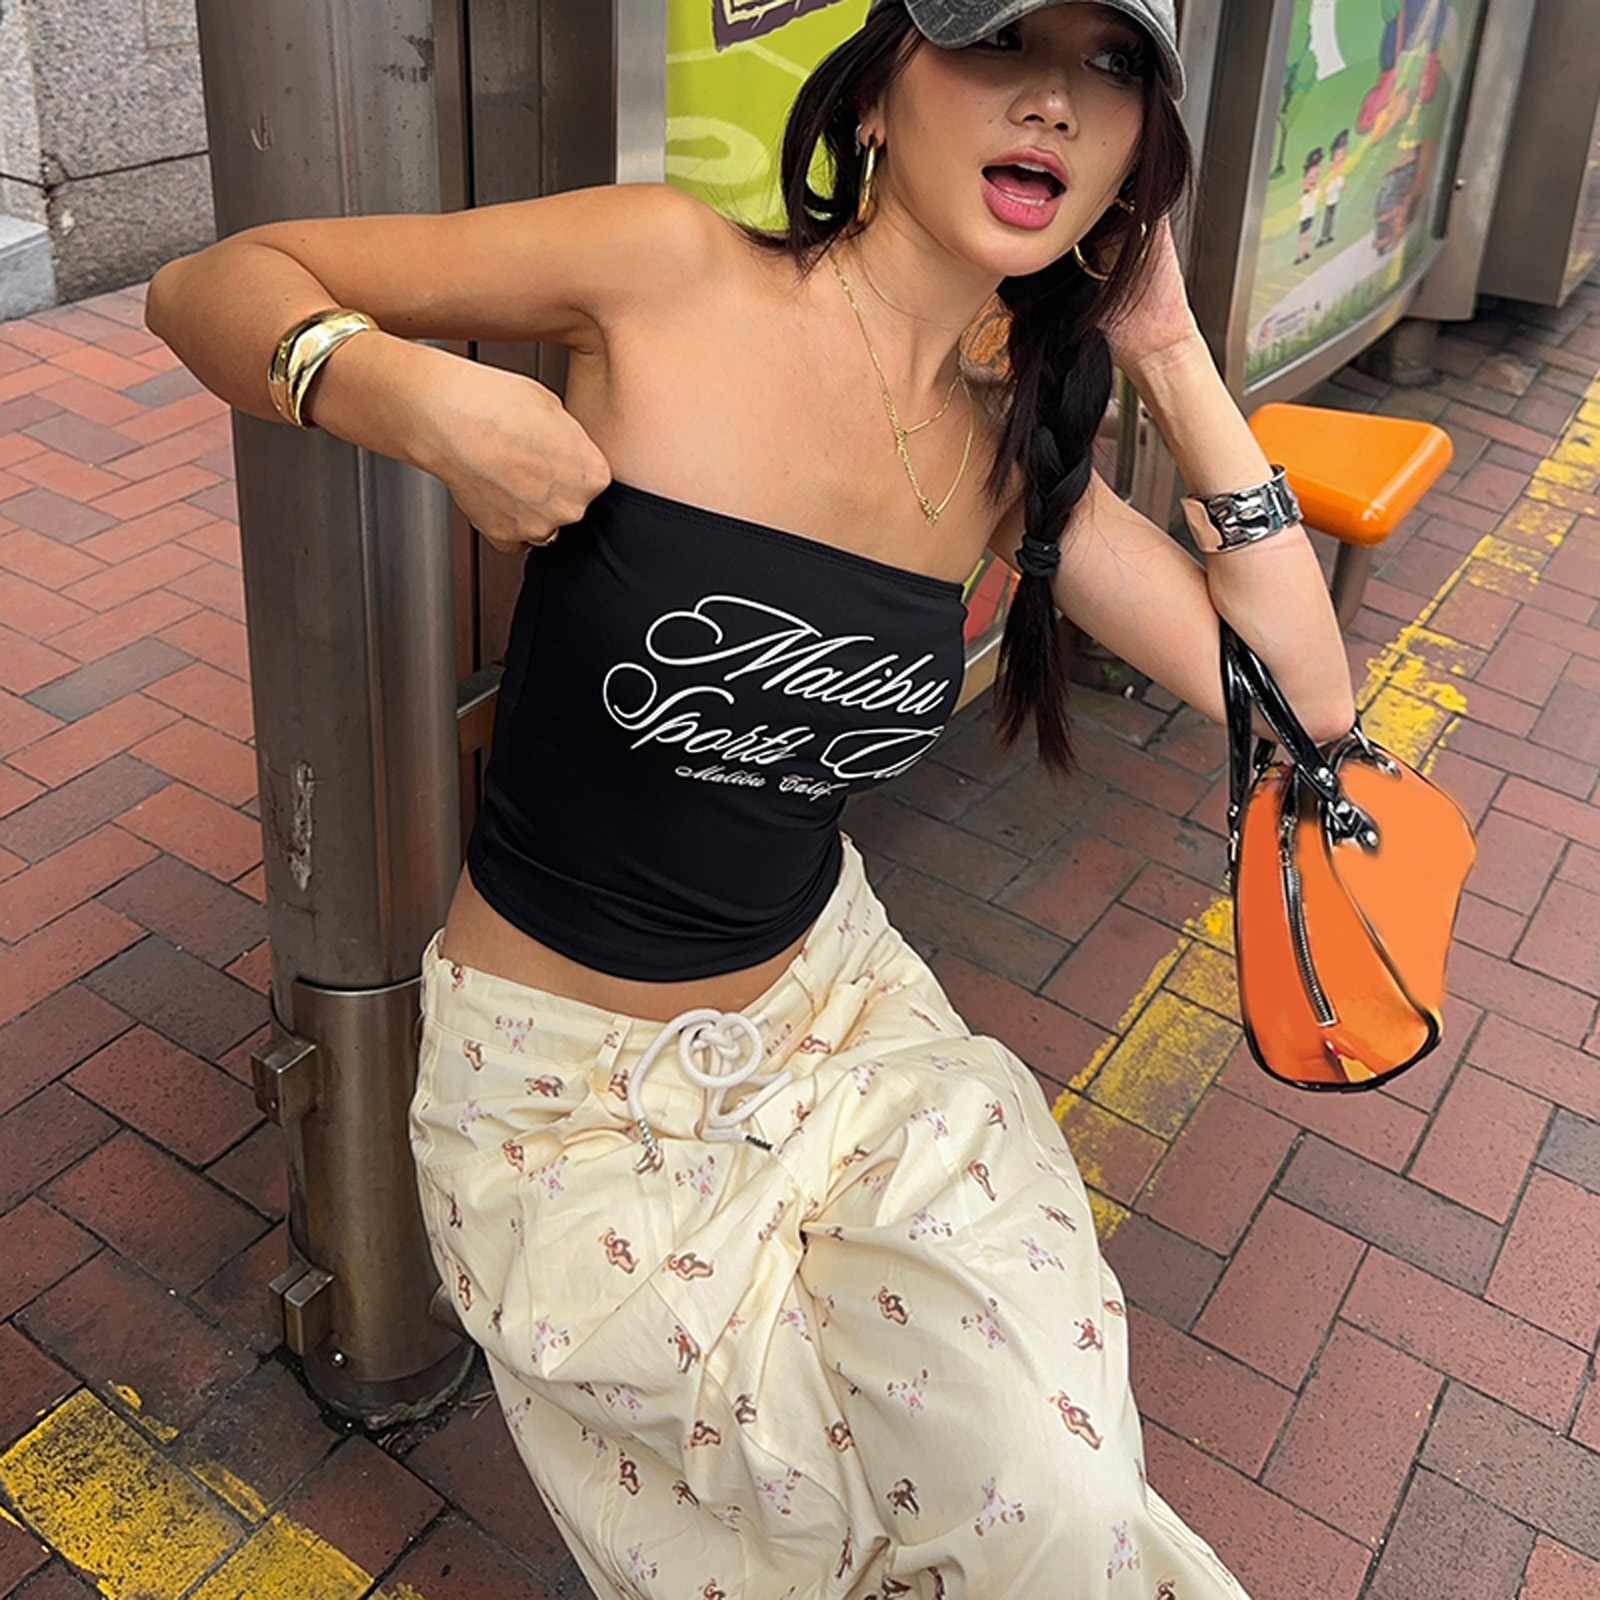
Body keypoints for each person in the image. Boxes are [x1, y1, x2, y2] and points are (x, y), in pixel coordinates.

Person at [146, 2, 1354, 1595]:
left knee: (1052, 1509)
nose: (1056, 101)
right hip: (563, 1109)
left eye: (1113, 66)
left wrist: (1173, 352)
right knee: (799, 1551)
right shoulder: (667, 270)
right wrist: (399, 395)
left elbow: (1302, 708)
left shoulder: (1001, 456)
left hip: (844, 1043)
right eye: (1001, 42)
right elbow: (208, 283)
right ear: (876, 98)